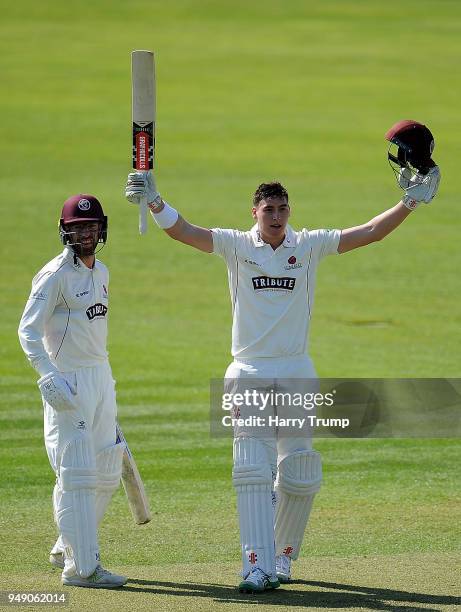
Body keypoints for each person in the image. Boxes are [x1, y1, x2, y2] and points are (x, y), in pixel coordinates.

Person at [125, 141, 440, 592]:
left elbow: (369, 232)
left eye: (283, 209)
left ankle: (283, 557)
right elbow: (184, 231)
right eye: (269, 208)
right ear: (254, 211)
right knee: (252, 467)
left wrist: (410, 201)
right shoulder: (235, 246)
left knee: (299, 470)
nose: (277, 216)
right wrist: (154, 201)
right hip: (249, 370)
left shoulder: (308, 245)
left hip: (296, 370)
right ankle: (254, 564)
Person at [18, 194, 127, 589]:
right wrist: (47, 374)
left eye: (92, 226)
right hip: (68, 380)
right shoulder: (53, 275)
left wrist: (104, 384)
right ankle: (82, 569)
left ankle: (68, 544)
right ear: (65, 230)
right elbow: (27, 330)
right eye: (78, 227)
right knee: (77, 474)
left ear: (101, 229)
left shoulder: (102, 272)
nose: (86, 233)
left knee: (108, 470)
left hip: (100, 376)